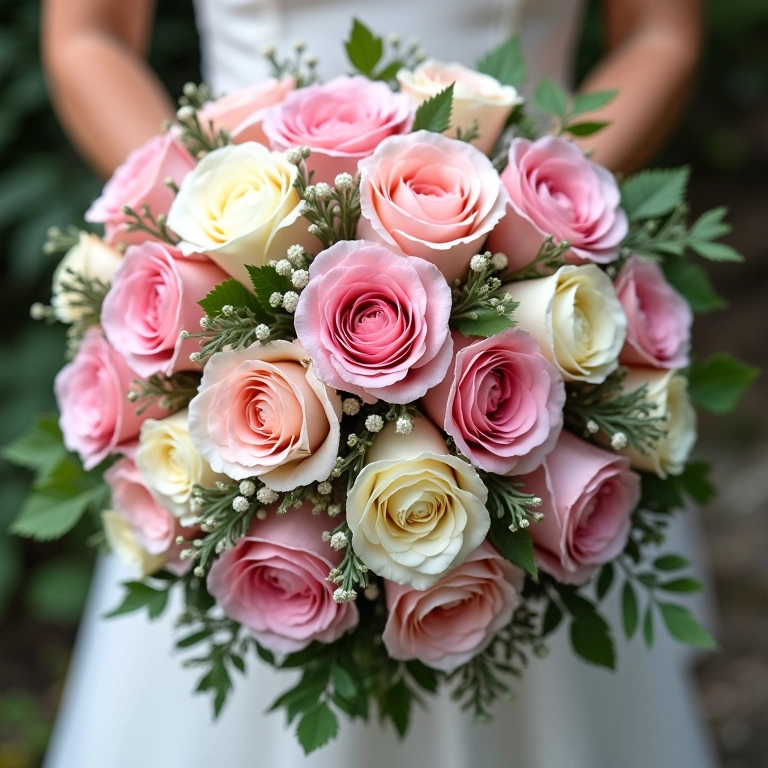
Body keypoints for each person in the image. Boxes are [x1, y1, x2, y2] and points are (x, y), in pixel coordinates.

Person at [40, 1, 714, 766]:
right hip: (241, 259)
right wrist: (203, 239)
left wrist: (531, 222)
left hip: (520, 292)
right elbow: (85, 34)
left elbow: (663, 32)